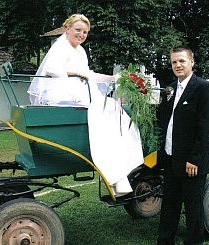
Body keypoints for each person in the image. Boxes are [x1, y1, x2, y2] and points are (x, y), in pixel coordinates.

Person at [27, 14, 144, 196]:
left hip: (75, 91)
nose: (81, 34)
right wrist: (77, 73)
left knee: (113, 109)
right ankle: (115, 169)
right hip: (62, 93)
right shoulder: (60, 48)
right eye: (78, 30)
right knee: (107, 110)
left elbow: (89, 74)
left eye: (85, 32)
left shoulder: (80, 51)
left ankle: (121, 167)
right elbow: (50, 69)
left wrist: (112, 78)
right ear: (67, 29)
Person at [156, 45, 209, 245]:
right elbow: (163, 120)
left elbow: (205, 127)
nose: (178, 65)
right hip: (171, 158)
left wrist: (195, 159)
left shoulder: (204, 88)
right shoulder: (169, 89)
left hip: (192, 162)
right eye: (174, 62)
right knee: (169, 205)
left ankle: (194, 242)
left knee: (193, 208)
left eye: (182, 61)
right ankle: (165, 241)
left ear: (192, 62)